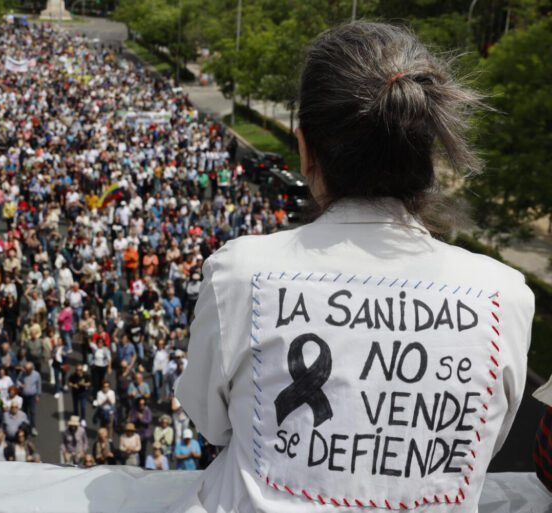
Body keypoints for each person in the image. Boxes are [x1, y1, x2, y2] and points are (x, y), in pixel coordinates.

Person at [170, 22, 535, 513]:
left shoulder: (239, 273)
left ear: (304, 148)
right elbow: (477, 448)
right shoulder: (505, 296)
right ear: (426, 153)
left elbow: (210, 422)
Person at [17, 362, 42, 436]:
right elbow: (17, 380)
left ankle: (33, 427)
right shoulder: (22, 373)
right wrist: (20, 385)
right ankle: (26, 427)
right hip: (23, 396)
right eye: (25, 369)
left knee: (32, 412)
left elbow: (39, 385)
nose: (26, 371)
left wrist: (38, 395)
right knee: (24, 413)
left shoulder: (36, 375)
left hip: (32, 396)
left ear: (31, 369)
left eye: (27, 370)